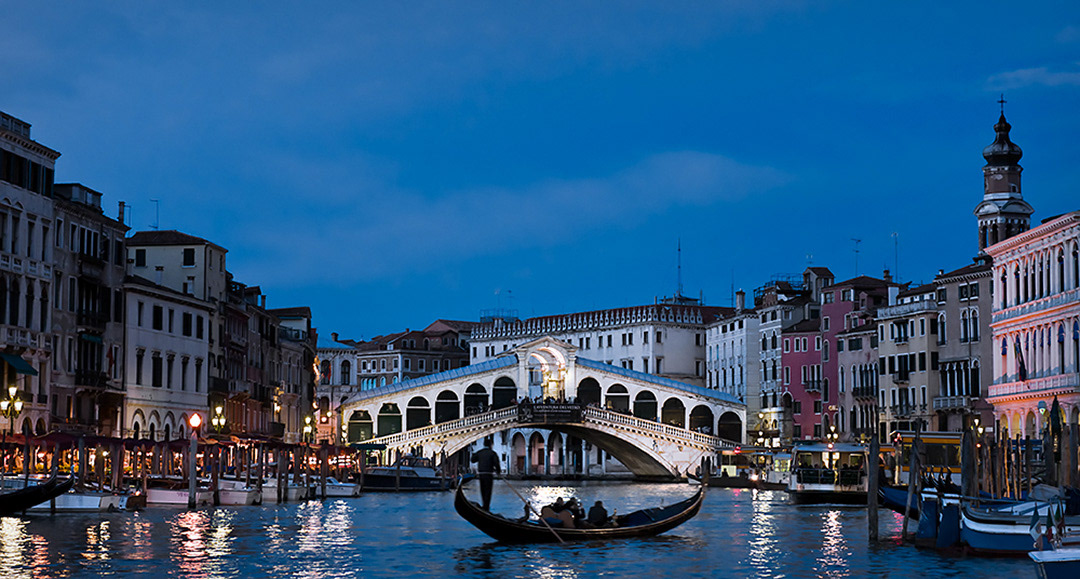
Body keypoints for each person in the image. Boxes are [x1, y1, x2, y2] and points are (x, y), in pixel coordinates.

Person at [471, 437, 500, 510]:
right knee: (488, 491)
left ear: (484, 444)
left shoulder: (480, 452)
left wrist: (474, 454)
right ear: (491, 445)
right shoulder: (492, 453)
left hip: (481, 474)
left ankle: (484, 505)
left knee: (483, 490)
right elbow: (496, 463)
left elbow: (472, 460)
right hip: (488, 474)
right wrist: (498, 471)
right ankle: (486, 507)